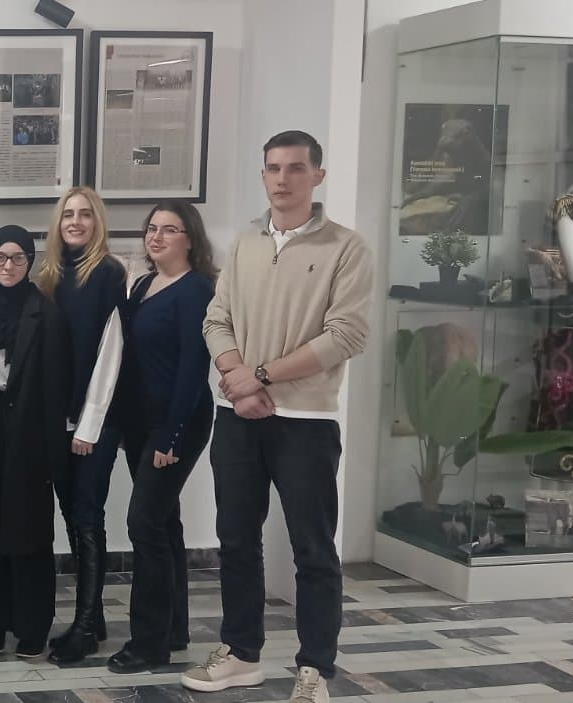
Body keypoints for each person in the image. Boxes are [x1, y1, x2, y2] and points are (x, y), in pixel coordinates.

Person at [182, 130, 370, 703]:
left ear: (318, 176)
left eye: (294, 168)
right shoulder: (244, 243)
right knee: (237, 540)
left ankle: (315, 669)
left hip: (305, 421)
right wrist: (238, 378)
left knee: (313, 548)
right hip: (237, 416)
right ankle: (241, 653)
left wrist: (260, 376)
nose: (282, 179)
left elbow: (346, 335)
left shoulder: (346, 247)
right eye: (272, 168)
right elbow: (216, 319)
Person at [104, 201, 217, 674]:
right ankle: (174, 629)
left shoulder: (197, 290)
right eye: (152, 228)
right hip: (140, 422)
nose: (157, 237)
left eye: (169, 230)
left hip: (176, 423)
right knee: (165, 523)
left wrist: (172, 435)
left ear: (190, 238)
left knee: (144, 524)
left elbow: (193, 368)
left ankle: (148, 643)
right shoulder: (144, 284)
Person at [0, 225, 70, 660]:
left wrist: (50, 451)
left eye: (18, 258)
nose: (8, 266)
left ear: (31, 262)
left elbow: (56, 386)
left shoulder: (45, 313)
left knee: (27, 528)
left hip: (29, 428)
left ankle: (31, 625)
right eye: (0, 258)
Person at [34, 186, 127, 666]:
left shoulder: (108, 273)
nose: (75, 221)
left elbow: (112, 352)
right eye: (68, 214)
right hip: (60, 419)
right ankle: (93, 615)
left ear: (97, 222)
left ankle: (87, 628)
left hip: (96, 419)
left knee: (88, 515)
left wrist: (89, 424)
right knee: (72, 514)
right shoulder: (50, 275)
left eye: (85, 214)